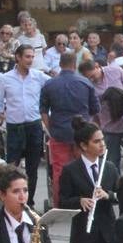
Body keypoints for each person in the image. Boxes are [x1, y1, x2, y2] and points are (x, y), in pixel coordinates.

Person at [39, 51, 100, 206]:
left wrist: (50, 128)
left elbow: (44, 111)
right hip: (83, 134)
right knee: (85, 167)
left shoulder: (49, 84)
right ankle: (88, 200)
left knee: (59, 170)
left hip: (59, 132)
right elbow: (95, 110)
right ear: (75, 65)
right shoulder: (86, 83)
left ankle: (60, 204)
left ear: (60, 64)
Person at [0, 45, 48, 206]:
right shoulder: (6, 78)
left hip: (34, 126)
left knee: (32, 168)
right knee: (11, 167)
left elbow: (53, 88)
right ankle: (9, 200)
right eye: (27, 57)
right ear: (18, 57)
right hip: (14, 127)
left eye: (32, 57)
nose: (30, 60)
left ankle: (29, 202)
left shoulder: (38, 76)